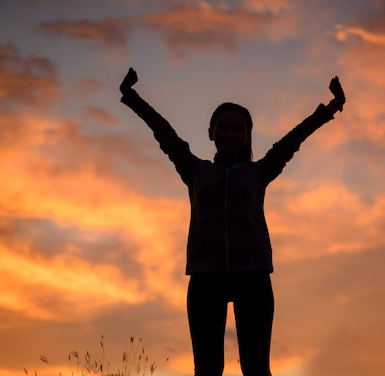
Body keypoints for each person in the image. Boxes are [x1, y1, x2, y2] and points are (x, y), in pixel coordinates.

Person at [119, 68, 346, 376]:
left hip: (253, 278)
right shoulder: (195, 171)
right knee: (208, 370)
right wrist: (131, 96)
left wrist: (331, 108)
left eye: (238, 129)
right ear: (211, 132)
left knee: (255, 369)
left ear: (247, 136)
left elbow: (294, 139)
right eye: (222, 128)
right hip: (205, 278)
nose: (230, 134)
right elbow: (164, 133)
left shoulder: (260, 171)